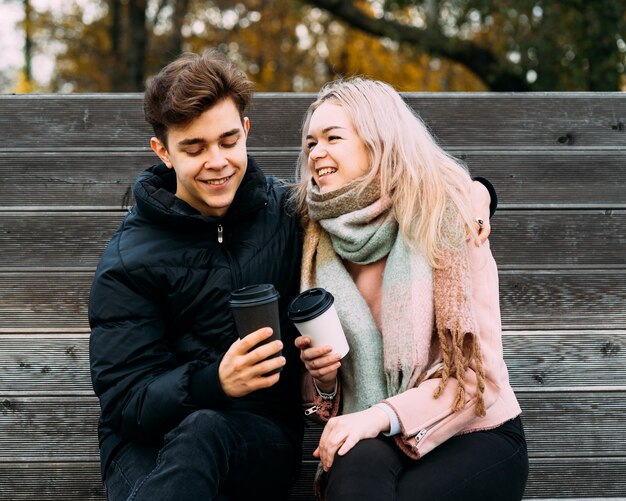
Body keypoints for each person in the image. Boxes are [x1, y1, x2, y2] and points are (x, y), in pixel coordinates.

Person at [292, 77, 528, 501]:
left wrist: (379, 416)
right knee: (355, 471)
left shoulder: (448, 218)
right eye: (311, 143)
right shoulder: (314, 236)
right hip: (375, 435)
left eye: (333, 138)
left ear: (377, 142)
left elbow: (480, 376)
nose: (317, 153)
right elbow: (327, 397)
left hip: (474, 430)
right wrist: (323, 379)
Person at [88, 49, 305, 500]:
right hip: (146, 446)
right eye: (194, 148)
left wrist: (478, 194)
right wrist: (215, 382)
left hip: (257, 437)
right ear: (163, 151)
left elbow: (389, 195)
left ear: (246, 131)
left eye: (228, 141)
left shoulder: (288, 216)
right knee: (195, 437)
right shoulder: (129, 258)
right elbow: (128, 402)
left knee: (206, 430)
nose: (218, 161)